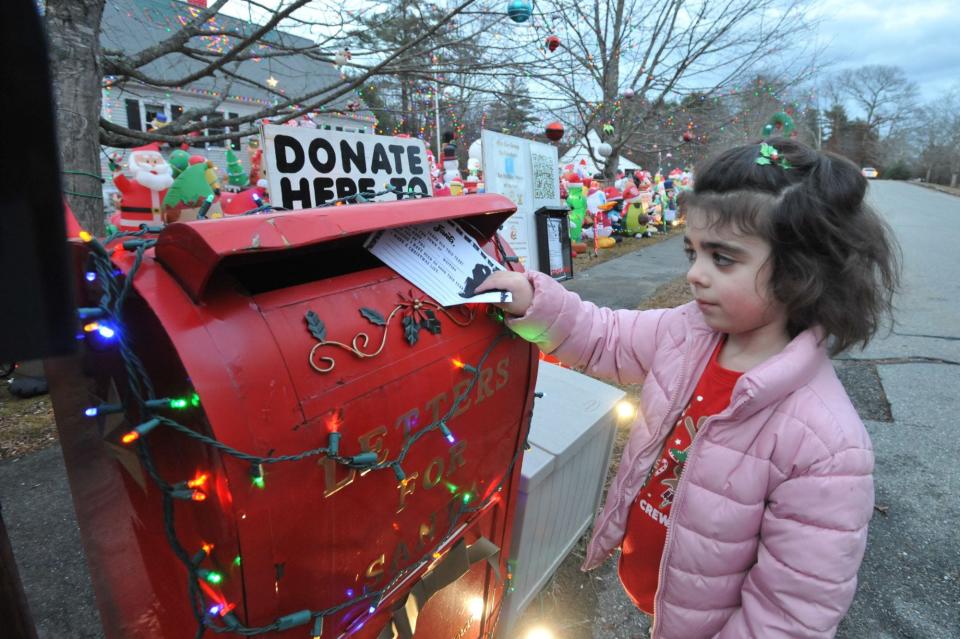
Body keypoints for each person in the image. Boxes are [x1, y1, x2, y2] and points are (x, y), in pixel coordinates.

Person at [476, 138, 900, 638]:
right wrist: (534, 301)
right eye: (693, 252)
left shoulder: (827, 445)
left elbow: (789, 616)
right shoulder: (686, 333)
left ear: (803, 269)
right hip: (658, 593)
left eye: (722, 259)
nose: (694, 275)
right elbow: (606, 337)